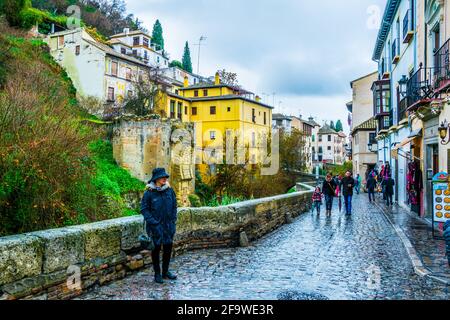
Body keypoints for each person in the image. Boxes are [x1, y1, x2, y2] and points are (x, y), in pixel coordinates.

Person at [140, 168, 178, 284]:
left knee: (168, 248)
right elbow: (144, 209)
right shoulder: (149, 193)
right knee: (156, 250)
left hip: (168, 226)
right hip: (155, 227)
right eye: (163, 177)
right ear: (156, 179)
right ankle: (157, 273)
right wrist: (154, 223)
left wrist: (172, 220)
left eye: (166, 177)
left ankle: (165, 272)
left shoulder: (169, 191)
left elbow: (174, 205)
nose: (165, 179)